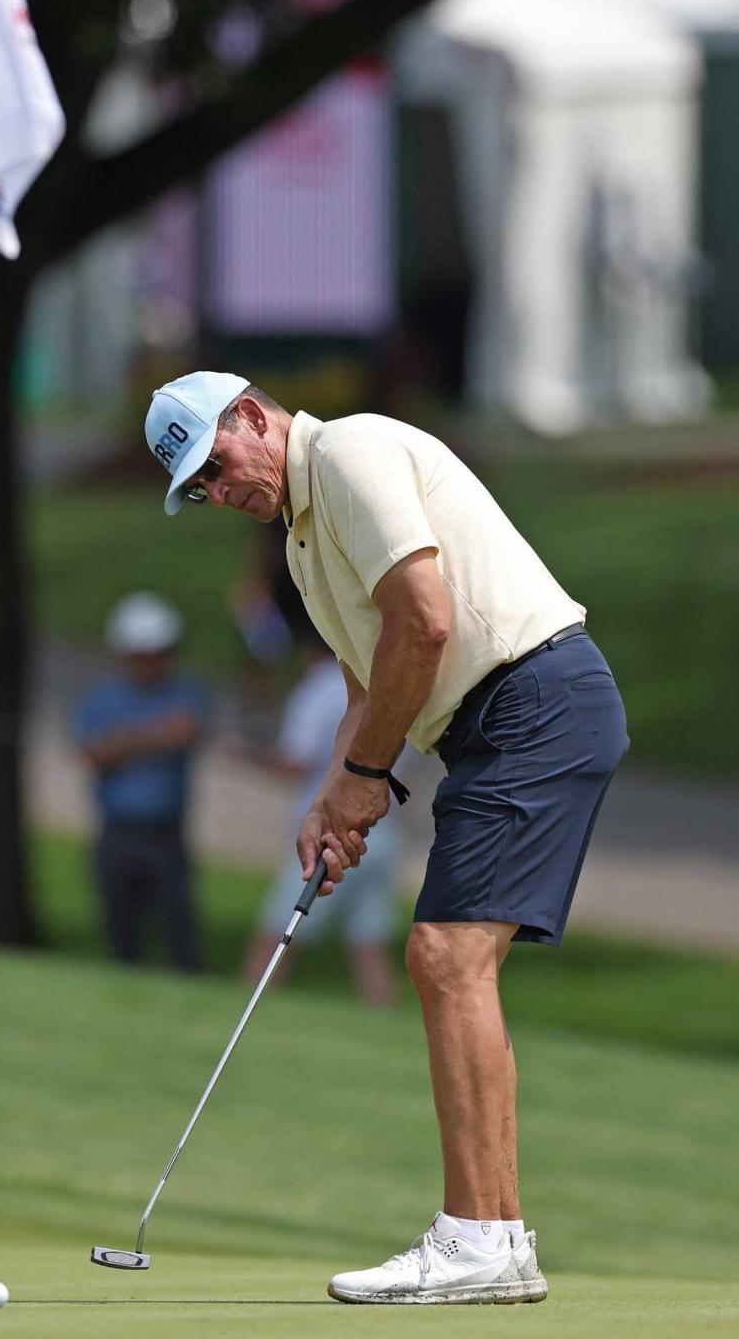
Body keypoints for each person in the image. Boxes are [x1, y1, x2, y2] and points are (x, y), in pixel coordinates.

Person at [143, 370, 629, 1306]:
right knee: (449, 960)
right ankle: (501, 1243)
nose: (219, 490)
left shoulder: (353, 453)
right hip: (497, 723)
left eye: (215, 462)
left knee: (445, 956)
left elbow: (427, 622)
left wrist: (368, 778)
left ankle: (476, 1239)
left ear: (251, 415)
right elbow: (369, 684)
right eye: (197, 489)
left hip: (536, 700)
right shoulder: (301, 543)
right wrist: (331, 796)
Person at [236, 628, 408, 1006]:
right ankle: (385, 1026)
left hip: (332, 832)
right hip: (384, 830)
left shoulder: (319, 688)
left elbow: (297, 762)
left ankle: (240, 1006)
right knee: (368, 944)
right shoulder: (392, 684)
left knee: (278, 932)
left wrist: (244, 753)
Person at [75, 592, 209, 972]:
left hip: (166, 834)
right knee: (121, 933)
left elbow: (188, 730)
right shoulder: (102, 698)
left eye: (161, 651)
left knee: (179, 932)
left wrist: (126, 739)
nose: (154, 662)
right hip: (117, 832)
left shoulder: (185, 691)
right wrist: (154, 735)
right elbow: (94, 754)